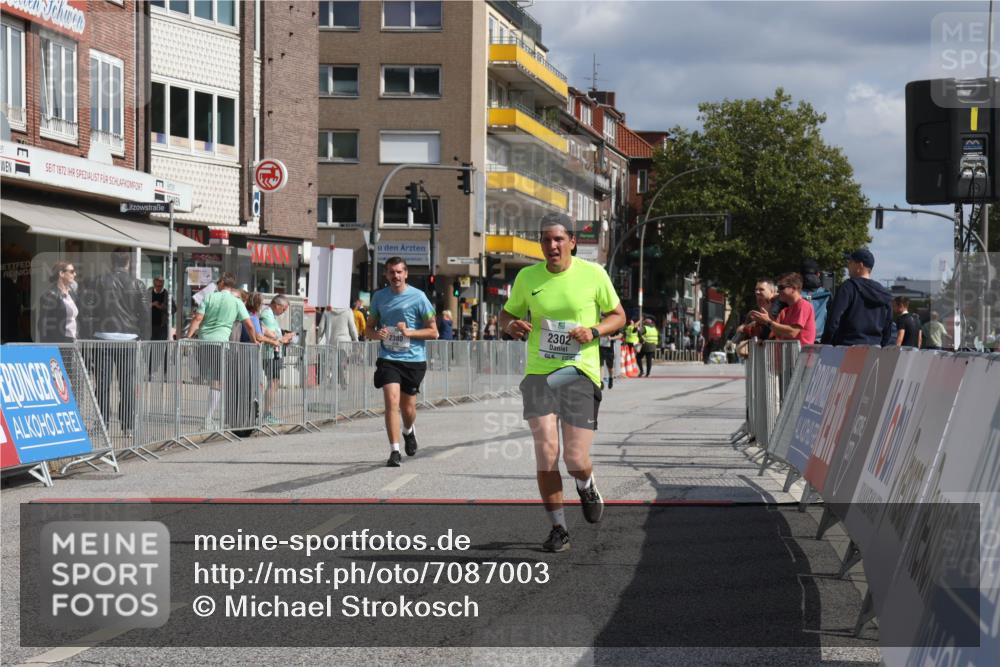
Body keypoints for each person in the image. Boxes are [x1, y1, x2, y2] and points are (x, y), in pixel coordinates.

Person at [499, 213, 625, 553]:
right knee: (546, 452)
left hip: (578, 370)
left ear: (572, 241)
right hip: (540, 373)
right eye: (545, 239)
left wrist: (594, 331)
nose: (551, 246)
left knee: (574, 456)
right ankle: (559, 529)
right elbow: (507, 314)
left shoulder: (593, 274)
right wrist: (511, 325)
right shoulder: (527, 277)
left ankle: (586, 484)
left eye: (558, 239)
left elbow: (619, 316)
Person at [367, 257, 438, 467]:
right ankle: (394, 451)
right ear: (386, 275)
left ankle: (409, 430)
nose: (395, 276)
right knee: (391, 401)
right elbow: (368, 329)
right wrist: (377, 334)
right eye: (391, 272)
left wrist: (410, 332)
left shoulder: (419, 297)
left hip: (414, 360)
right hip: (389, 358)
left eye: (399, 272)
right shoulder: (379, 297)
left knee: (408, 409)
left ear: (406, 274)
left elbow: (433, 331)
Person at [79, 249, 150, 433]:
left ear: (112, 262)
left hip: (102, 338)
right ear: (128, 263)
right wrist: (144, 338)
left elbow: (87, 311)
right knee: (126, 383)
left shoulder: (97, 282)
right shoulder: (137, 284)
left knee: (102, 384)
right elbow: (145, 314)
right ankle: (127, 425)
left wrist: (88, 336)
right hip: (129, 339)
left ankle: (101, 423)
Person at [186, 273, 260, 431]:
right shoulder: (236, 302)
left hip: (204, 342)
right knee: (217, 381)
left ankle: (209, 417)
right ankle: (208, 418)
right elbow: (249, 325)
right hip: (221, 344)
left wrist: (188, 336)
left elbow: (198, 319)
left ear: (221, 284)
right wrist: (254, 341)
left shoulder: (209, 297)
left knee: (210, 378)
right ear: (231, 286)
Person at [822, 248, 893, 346]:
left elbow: (833, 320)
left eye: (850, 262)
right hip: (874, 349)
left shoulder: (848, 287)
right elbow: (888, 327)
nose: (848, 266)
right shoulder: (884, 293)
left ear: (860, 265)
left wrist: (826, 344)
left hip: (848, 347)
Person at [749, 272, 816, 344]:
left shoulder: (803, 305)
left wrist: (768, 322)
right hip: (790, 353)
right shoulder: (786, 310)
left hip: (801, 354)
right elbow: (778, 333)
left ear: (793, 288)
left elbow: (792, 332)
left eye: (781, 287)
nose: (778, 291)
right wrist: (765, 320)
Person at [259, 295, 295, 425]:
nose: (284, 311)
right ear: (277, 305)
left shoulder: (271, 315)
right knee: (273, 382)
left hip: (274, 353)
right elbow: (273, 335)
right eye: (284, 309)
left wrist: (284, 336)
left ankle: (268, 413)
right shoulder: (267, 315)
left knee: (275, 382)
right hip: (269, 353)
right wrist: (285, 337)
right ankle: (267, 414)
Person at [37, 261, 79, 343]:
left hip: (72, 340)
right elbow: (43, 324)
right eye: (72, 272)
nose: (75, 274)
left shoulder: (71, 294)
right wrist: (47, 347)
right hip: (59, 341)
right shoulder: (51, 295)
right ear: (61, 273)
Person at [318, 304, 359, 387]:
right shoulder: (348, 311)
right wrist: (356, 340)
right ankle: (343, 381)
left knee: (334, 362)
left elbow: (321, 327)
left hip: (332, 341)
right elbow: (352, 328)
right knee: (341, 362)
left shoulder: (327, 310)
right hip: (344, 342)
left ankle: (333, 381)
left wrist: (319, 338)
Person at [800, 259, 831, 336]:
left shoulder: (794, 293)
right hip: (820, 339)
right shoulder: (826, 294)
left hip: (798, 338)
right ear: (818, 274)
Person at [149, 276, 175, 341]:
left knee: (161, 346)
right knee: (150, 345)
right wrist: (152, 304)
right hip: (150, 325)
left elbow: (174, 309)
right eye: (156, 285)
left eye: (160, 286)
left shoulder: (167, 294)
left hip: (162, 326)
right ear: (153, 284)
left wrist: (162, 307)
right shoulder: (148, 292)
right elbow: (142, 306)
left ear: (163, 284)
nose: (158, 288)